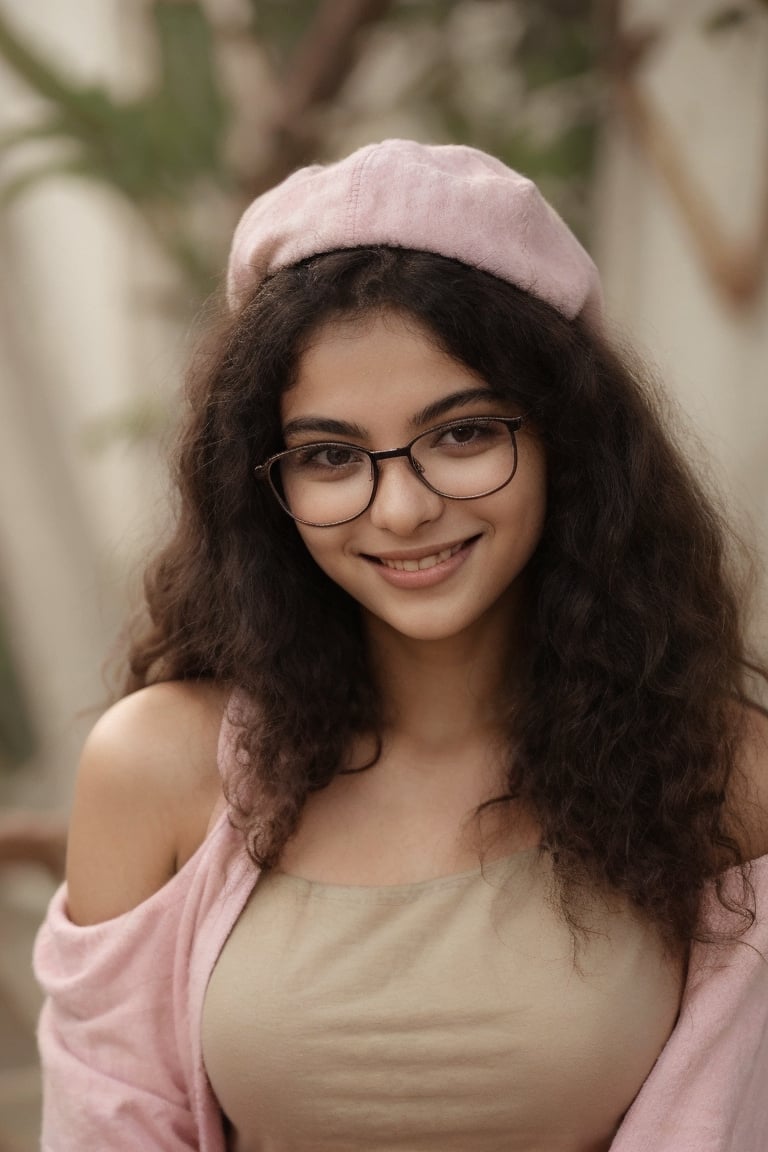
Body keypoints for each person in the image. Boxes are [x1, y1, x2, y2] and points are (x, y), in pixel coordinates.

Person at [34, 140, 768, 1151]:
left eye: (463, 434)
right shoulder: (158, 768)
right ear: (267, 486)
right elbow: (107, 1128)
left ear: (570, 442)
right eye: (332, 455)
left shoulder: (722, 777)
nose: (404, 506)